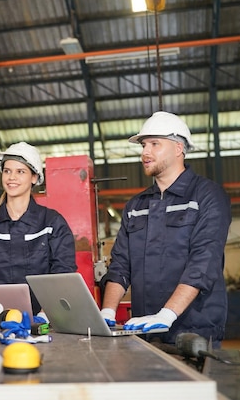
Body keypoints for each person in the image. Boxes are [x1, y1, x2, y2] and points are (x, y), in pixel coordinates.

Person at [99, 111, 231, 347]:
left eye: (154, 144)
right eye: (143, 145)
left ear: (178, 148)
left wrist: (167, 315)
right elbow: (121, 265)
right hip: (146, 329)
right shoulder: (136, 206)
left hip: (194, 330)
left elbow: (204, 262)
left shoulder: (207, 196)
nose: (145, 153)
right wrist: (108, 311)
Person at [0, 142, 77, 315]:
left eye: (20, 171)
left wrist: (47, 314)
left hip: (45, 321)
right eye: (7, 171)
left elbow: (63, 273)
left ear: (34, 177)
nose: (11, 177)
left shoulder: (52, 223)